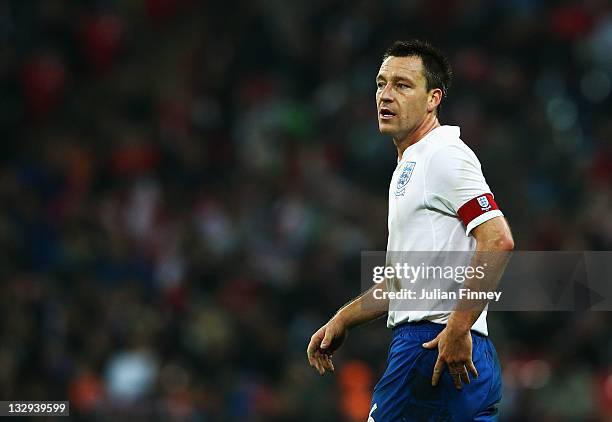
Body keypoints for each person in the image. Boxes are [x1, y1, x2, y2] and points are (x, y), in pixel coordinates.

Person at [306, 40, 514, 421]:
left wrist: (456, 326)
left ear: (433, 98)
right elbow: (404, 282)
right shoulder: (412, 164)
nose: (385, 95)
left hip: (430, 344)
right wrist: (342, 319)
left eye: (402, 85)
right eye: (381, 83)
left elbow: (497, 239)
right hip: (461, 348)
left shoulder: (442, 154)